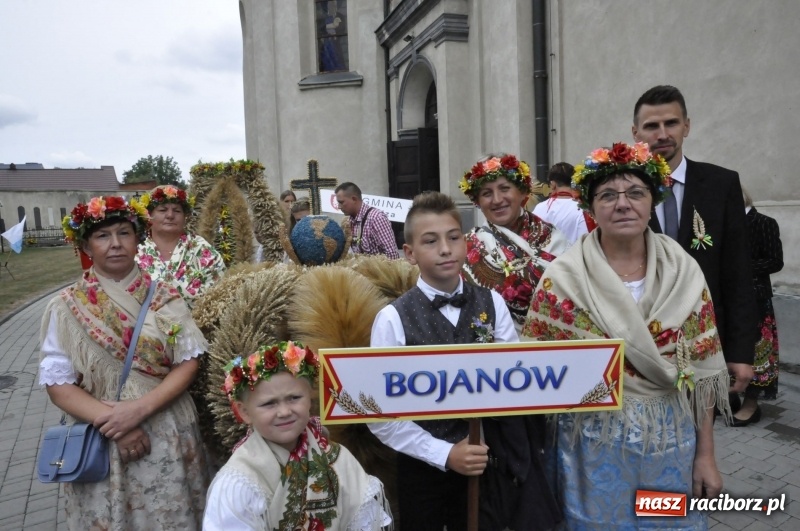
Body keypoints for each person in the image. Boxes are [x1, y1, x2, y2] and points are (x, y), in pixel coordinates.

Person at [524, 142, 730, 529]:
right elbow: (538, 375)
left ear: (652, 201)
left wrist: (706, 456)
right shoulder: (562, 279)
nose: (623, 204)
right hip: (589, 448)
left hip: (668, 442)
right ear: (590, 207)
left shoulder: (683, 272)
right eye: (608, 196)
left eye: (636, 193)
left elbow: (702, 378)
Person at [369, 192, 560, 531]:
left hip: (488, 464)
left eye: (453, 238)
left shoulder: (493, 303)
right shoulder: (392, 319)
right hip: (422, 466)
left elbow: (512, 381)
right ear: (410, 254)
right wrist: (443, 454)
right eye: (431, 241)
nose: (445, 249)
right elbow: (381, 414)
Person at [40, 196, 212, 529]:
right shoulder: (64, 308)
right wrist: (116, 422)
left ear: (138, 239)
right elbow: (58, 385)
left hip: (166, 431)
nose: (115, 244)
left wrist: (138, 409)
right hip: (100, 439)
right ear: (87, 245)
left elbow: (188, 362)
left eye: (124, 233)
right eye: (103, 236)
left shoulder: (165, 297)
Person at [632, 85, 758, 395]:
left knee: (702, 437)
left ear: (686, 125)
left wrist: (741, 352)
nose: (662, 134)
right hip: (641, 345)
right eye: (651, 126)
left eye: (671, 123)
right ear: (636, 132)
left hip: (706, 341)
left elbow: (738, 273)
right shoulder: (621, 190)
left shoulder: (721, 184)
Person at [204, 341, 392, 530]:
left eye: (294, 398)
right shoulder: (241, 478)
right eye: (269, 403)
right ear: (244, 412)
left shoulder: (338, 460)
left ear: (310, 399)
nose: (284, 411)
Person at [460, 153, 570, 330]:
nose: (497, 200)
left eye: (504, 188)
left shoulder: (553, 238)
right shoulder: (467, 247)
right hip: (494, 349)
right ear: (478, 202)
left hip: (552, 349)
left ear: (522, 192)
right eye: (487, 193)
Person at [732, 187, 784, 426]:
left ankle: (751, 403)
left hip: (756, 298)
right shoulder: (726, 223)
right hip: (728, 297)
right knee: (729, 347)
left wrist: (741, 270)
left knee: (757, 351)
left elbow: (775, 261)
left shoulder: (764, 222)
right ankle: (730, 395)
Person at [135, 184, 226, 307]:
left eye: (177, 210)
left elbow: (220, 294)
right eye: (163, 210)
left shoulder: (203, 250)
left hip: (196, 325)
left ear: (185, 217)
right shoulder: (136, 252)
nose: (170, 215)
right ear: (149, 216)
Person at [532, 161, 595, 244]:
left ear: (553, 184)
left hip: (543, 256)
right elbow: (586, 241)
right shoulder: (581, 208)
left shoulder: (539, 208)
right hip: (573, 255)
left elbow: (532, 239)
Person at [335, 182, 400, 259]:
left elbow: (392, 254)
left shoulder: (376, 218)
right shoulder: (348, 222)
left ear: (354, 199)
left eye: (341, 202)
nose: (339, 207)